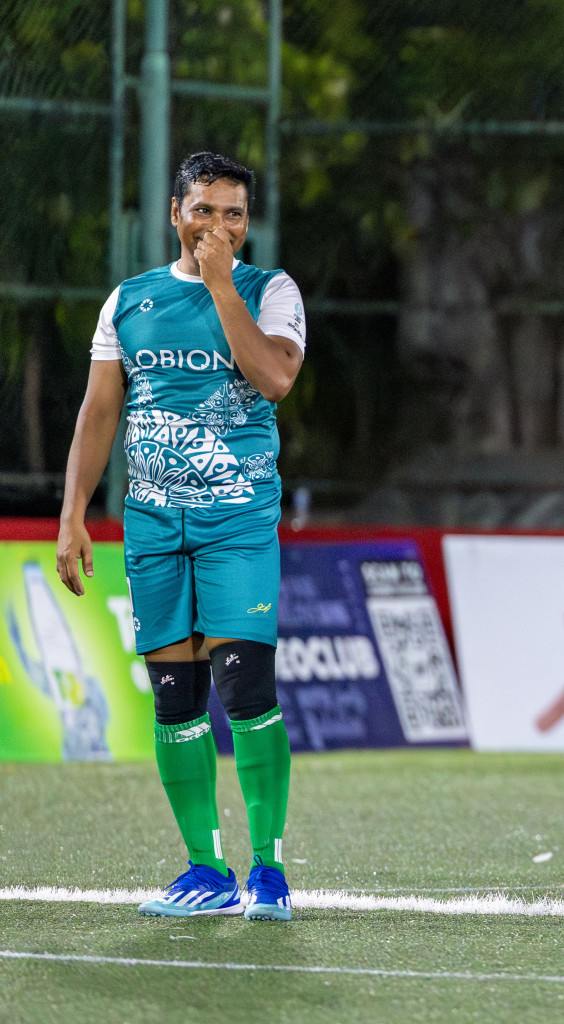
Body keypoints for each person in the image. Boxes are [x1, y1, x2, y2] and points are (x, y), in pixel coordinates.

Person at [55, 152, 306, 921]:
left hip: (238, 521)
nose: (218, 226)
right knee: (176, 698)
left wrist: (224, 284)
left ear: (247, 223)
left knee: (244, 683)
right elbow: (101, 412)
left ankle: (267, 872)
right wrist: (72, 513)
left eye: (234, 214)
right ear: (175, 214)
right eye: (204, 210)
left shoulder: (271, 290)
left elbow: (274, 378)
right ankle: (205, 869)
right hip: (155, 528)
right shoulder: (128, 302)